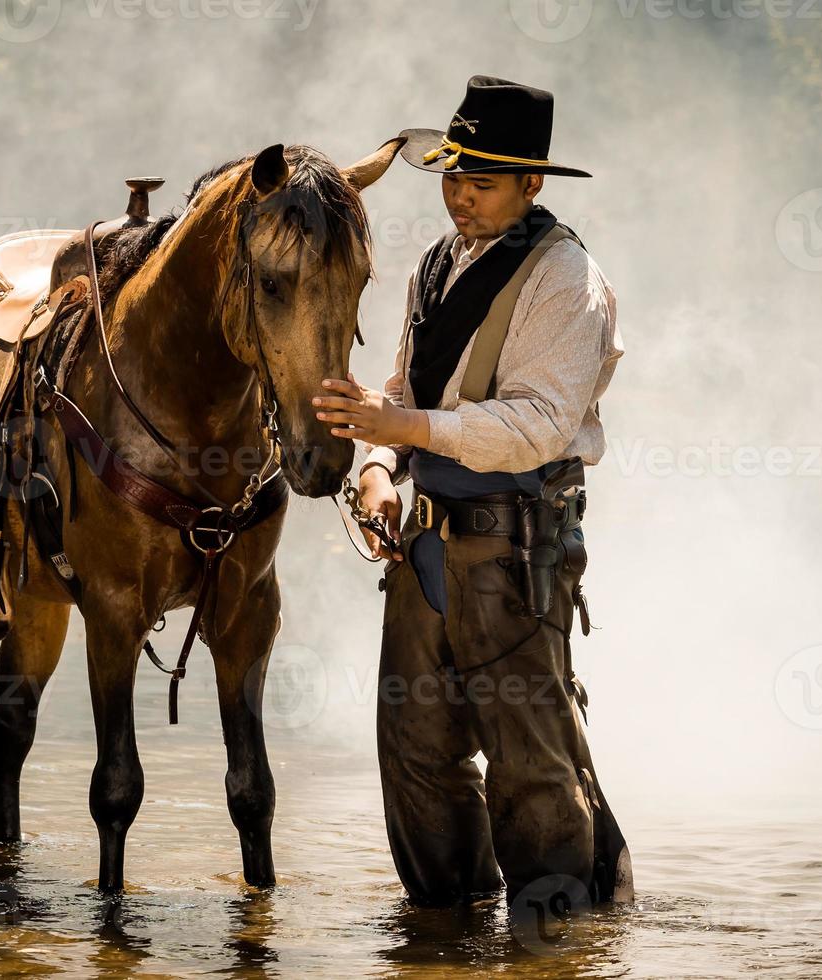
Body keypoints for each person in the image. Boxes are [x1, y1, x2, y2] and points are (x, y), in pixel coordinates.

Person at [314, 76, 634, 908]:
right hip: (424, 543)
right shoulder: (436, 264)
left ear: (531, 184)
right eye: (451, 177)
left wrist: (401, 433)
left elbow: (534, 426)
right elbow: (403, 392)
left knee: (531, 765)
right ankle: (444, 938)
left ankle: (558, 944)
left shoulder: (566, 279)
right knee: (414, 752)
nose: (458, 196)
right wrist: (378, 474)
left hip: (513, 546)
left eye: (480, 182)